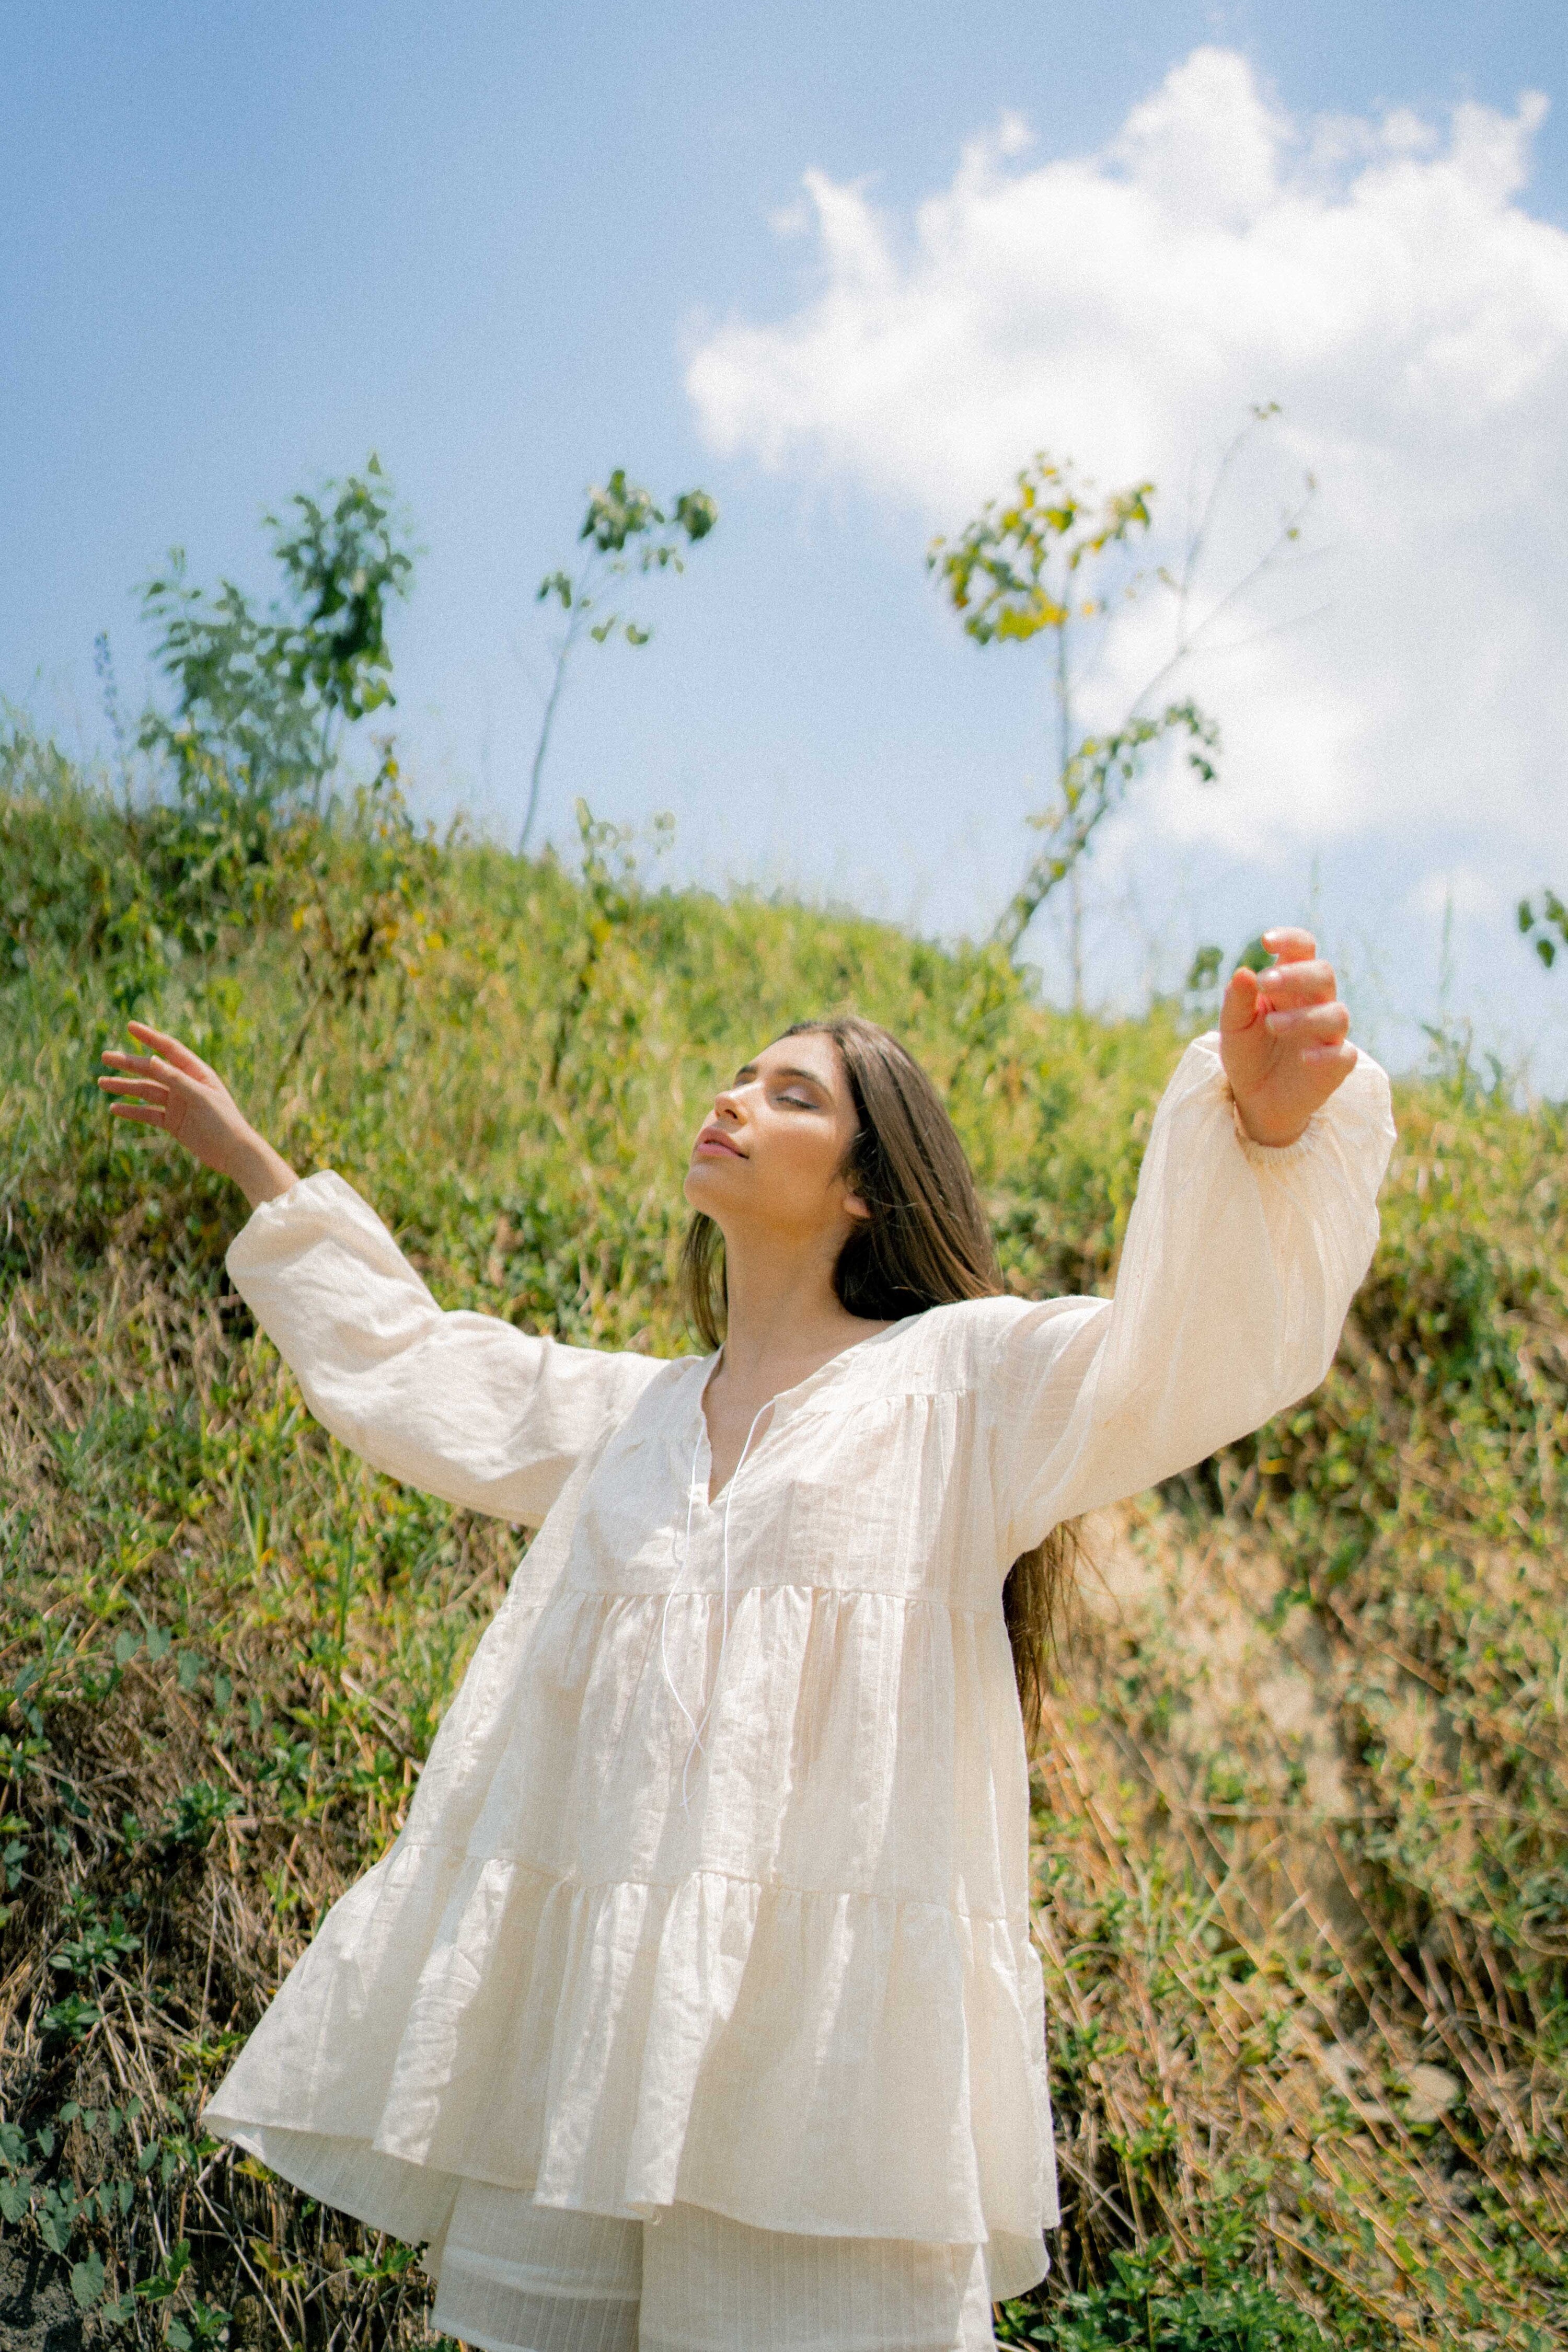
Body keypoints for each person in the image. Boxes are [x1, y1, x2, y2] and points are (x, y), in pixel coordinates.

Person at [98, 929, 1393, 2352]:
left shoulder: (963, 1383)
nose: (733, 1098)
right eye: (739, 1076)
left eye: (792, 1093)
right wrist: (256, 1168)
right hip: (616, 2050)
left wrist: (1259, 1138)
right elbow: (424, 1369)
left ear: (864, 1185)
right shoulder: (635, 1416)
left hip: (829, 2078)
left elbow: (1171, 1359)